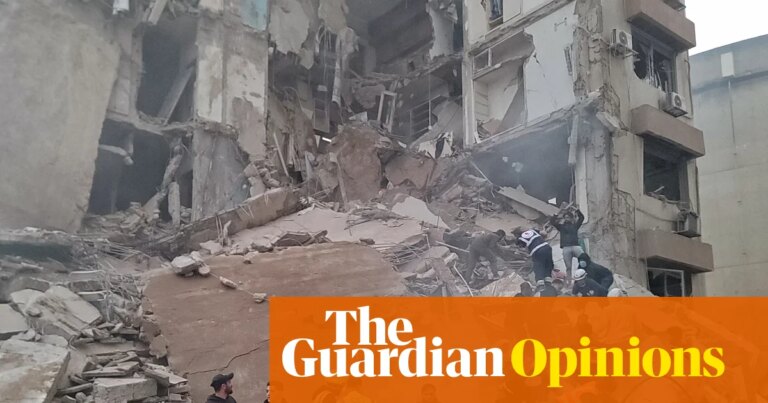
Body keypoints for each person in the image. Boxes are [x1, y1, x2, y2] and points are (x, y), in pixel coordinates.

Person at [551, 208, 585, 277]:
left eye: (568, 217)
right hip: (566, 247)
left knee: (584, 261)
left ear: (571, 218)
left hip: (575, 246)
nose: (566, 219)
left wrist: (577, 211)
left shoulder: (575, 225)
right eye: (565, 217)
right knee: (568, 267)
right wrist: (555, 215)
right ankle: (569, 281)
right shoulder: (561, 227)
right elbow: (552, 222)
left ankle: (584, 276)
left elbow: (581, 218)